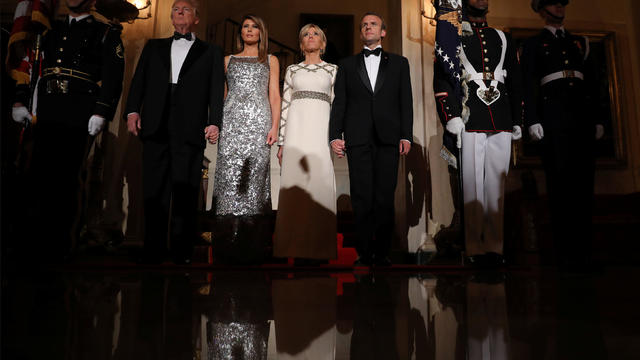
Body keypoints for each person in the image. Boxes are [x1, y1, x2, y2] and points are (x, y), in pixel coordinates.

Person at [11, 0, 124, 260]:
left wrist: (102, 111)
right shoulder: (50, 31)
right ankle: (37, 242)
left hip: (78, 110)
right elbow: (33, 67)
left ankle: (63, 244)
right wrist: (19, 99)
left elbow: (113, 75)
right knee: (41, 177)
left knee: (67, 180)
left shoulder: (105, 32)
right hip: (48, 109)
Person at [124, 0, 225, 264]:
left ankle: (182, 251)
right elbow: (139, 81)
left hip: (190, 125)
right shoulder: (153, 46)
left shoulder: (210, 51)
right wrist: (132, 110)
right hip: (155, 122)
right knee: (154, 188)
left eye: (185, 10)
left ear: (196, 19)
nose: (179, 13)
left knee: (186, 188)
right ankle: (154, 248)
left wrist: (215, 121)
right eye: (175, 10)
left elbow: (216, 89)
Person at [434, 0, 523, 267]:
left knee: (496, 186)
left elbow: (515, 79)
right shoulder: (453, 34)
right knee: (472, 186)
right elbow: (443, 77)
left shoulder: (503, 38)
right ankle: (474, 248)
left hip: (501, 115)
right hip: (470, 114)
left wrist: (518, 119)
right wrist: (450, 116)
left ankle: (494, 249)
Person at [522, 0, 604, 270]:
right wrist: (532, 119)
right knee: (560, 187)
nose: (559, 7)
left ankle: (584, 254)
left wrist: (598, 119)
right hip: (553, 119)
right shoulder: (535, 44)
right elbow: (528, 83)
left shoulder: (579, 42)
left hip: (580, 119)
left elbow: (593, 83)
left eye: (561, 3)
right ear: (542, 10)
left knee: (583, 187)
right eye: (553, 4)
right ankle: (565, 256)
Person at [329, 12, 413, 266]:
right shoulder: (346, 64)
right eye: (364, 25)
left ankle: (382, 252)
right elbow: (340, 101)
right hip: (358, 137)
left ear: (383, 32)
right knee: (362, 196)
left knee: (385, 196)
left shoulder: (400, 63)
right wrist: (335, 135)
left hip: (389, 137)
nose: (368, 27)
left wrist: (406, 135)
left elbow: (405, 101)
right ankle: (364, 252)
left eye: (373, 24)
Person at [211, 14, 281, 264]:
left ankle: (253, 247)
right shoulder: (227, 60)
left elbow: (274, 95)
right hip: (232, 123)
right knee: (229, 180)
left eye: (254, 27)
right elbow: (223, 96)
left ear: (261, 32)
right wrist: (217, 124)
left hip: (258, 124)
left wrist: (275, 127)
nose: (249, 30)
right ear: (240, 33)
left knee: (254, 182)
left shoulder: (270, 60)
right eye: (245, 27)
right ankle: (227, 246)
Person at [273, 24, 338, 264]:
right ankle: (293, 247)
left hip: (320, 133)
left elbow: (337, 106)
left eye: (315, 35)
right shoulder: (291, 70)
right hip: (295, 135)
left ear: (323, 43)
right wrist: (281, 142)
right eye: (306, 35)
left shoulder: (333, 70)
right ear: (301, 45)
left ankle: (320, 250)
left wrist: (336, 136)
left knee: (319, 185)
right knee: (295, 186)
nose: (311, 38)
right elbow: (286, 105)